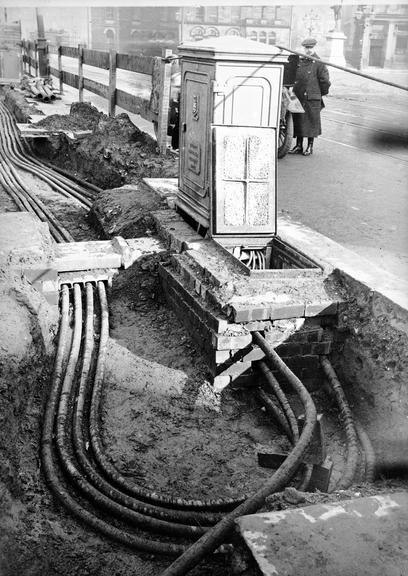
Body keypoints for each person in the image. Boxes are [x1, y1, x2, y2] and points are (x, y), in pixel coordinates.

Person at [288, 38, 331, 156]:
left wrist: (318, 93)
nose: (308, 50)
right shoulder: (300, 61)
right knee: (299, 120)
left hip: (312, 97)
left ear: (314, 48)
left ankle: (310, 147)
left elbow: (325, 81)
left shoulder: (318, 63)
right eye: (306, 48)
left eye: (310, 48)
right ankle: (298, 145)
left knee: (311, 122)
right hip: (299, 96)